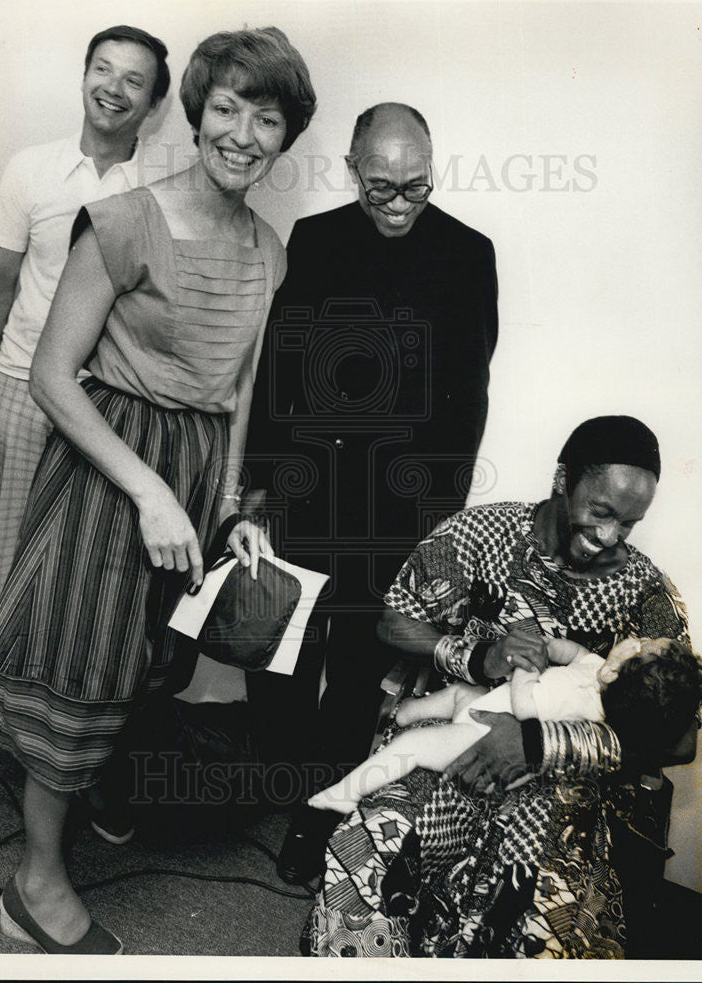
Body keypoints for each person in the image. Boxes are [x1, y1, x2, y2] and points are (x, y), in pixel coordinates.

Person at [0, 27, 316, 955]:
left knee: (141, 670)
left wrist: (225, 507)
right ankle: (35, 888)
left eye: (268, 116)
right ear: (197, 112)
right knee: (76, 668)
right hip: (109, 464)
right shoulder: (126, 219)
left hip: (194, 472)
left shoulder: (272, 252)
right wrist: (147, 493)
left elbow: (240, 387)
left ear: (287, 134)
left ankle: (69, 822)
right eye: (227, 109)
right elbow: (53, 374)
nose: (244, 134)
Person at [304, 415, 702, 958]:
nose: (609, 536)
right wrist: (476, 656)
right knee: (378, 853)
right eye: (601, 512)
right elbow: (392, 621)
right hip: (453, 744)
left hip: (567, 787)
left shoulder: (645, 592)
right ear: (563, 480)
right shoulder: (480, 535)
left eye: (628, 524)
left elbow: (680, 740)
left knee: (543, 923)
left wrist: (539, 746)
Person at [242, 101, 499, 882]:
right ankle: (284, 777)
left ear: (433, 167)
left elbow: (469, 399)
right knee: (277, 654)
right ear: (352, 169)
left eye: (414, 186)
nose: (396, 203)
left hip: (395, 509)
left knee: (356, 668)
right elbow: (280, 372)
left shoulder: (468, 253)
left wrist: (438, 530)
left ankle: (317, 817)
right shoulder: (316, 238)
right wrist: (257, 482)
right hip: (306, 487)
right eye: (379, 186)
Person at [0, 25, 171, 621]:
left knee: (82, 564)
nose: (113, 88)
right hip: (20, 388)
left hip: (110, 404)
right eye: (102, 70)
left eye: (133, 80)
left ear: (154, 104)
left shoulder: (162, 190)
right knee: (4, 554)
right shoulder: (29, 170)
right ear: (84, 76)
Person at [308, 636, 702, 813]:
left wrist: (526, 673)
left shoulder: (580, 707)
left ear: (614, 676)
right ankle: (404, 711)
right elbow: (575, 653)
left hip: (485, 733)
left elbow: (527, 714)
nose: (638, 638)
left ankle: (347, 791)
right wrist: (548, 647)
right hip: (485, 704)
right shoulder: (597, 668)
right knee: (459, 693)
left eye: (642, 646)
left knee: (414, 745)